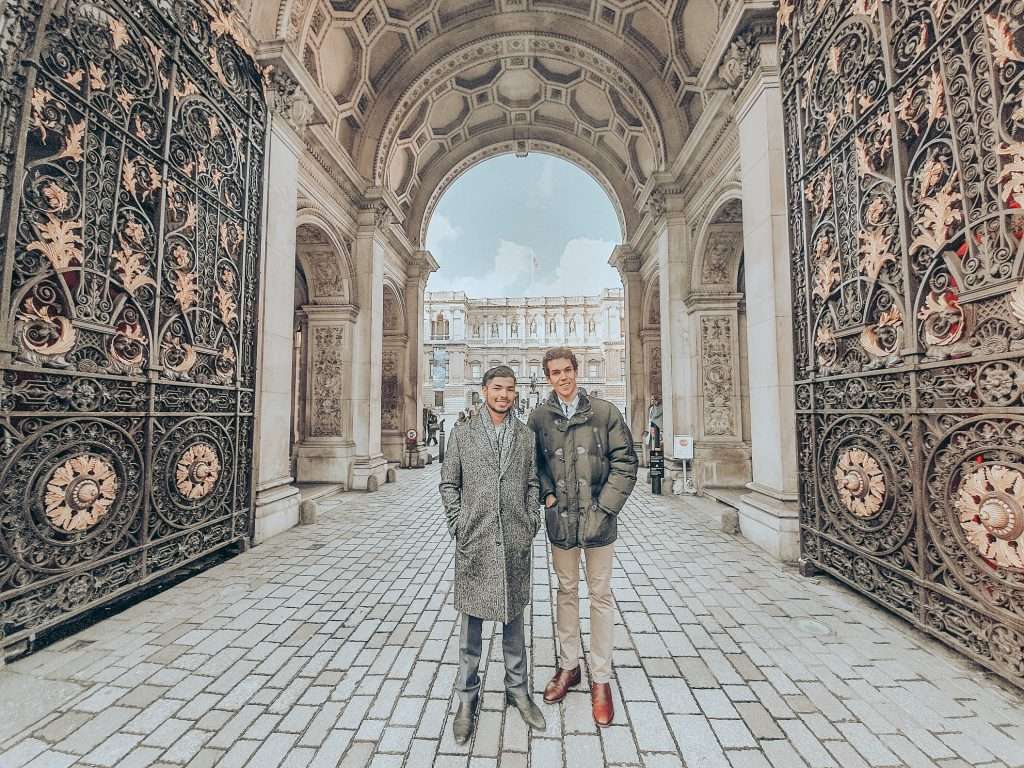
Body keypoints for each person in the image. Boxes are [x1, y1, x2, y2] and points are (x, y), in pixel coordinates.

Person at [528, 347, 637, 726]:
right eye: (555, 372)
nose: (563, 377)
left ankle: (601, 677)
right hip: (561, 522)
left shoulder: (605, 412)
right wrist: (548, 495)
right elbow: (534, 464)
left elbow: (625, 462)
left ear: (576, 371)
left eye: (567, 370)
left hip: (599, 523)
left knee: (602, 596)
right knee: (567, 592)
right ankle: (569, 665)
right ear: (548, 377)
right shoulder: (539, 416)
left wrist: (603, 508)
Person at [439, 366, 546, 744]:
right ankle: (467, 698)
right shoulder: (463, 434)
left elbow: (533, 483)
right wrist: (458, 524)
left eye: (510, 390)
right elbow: (449, 483)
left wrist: (531, 521)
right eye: (497, 388)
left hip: (514, 539)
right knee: (471, 630)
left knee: (514, 623)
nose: (504, 395)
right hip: (476, 540)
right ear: (484, 390)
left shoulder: (526, 436)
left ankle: (518, 690)